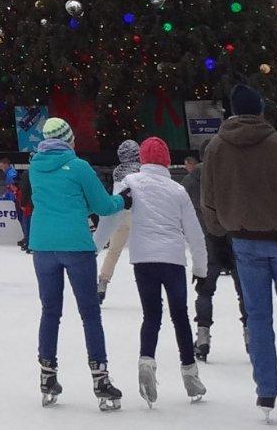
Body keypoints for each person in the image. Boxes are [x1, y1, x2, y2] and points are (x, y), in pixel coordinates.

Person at [200, 83, 277, 419]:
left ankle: (266, 393)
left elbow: (207, 197)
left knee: (258, 320)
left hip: (244, 239)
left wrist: (219, 230)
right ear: (260, 110)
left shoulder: (216, 148)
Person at [28, 116, 127, 409]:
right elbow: (103, 206)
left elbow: (54, 199)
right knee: (90, 314)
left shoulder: (35, 167)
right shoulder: (79, 167)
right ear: (68, 139)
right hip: (75, 245)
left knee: (50, 312)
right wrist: (125, 199)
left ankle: (47, 375)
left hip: (43, 246)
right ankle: (100, 378)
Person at [118, 137, 208, 407]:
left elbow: (113, 211)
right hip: (172, 259)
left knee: (151, 315)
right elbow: (194, 231)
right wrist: (201, 268)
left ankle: (147, 361)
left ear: (143, 159)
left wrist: (94, 246)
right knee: (180, 315)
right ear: (167, 160)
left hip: (144, 259)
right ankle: (190, 373)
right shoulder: (177, 190)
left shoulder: (131, 184)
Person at [180, 150, 248, 362]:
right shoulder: (232, 174)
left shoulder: (190, 181)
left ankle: (202, 338)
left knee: (205, 291)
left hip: (205, 240)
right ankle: (251, 335)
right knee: (244, 290)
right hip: (234, 237)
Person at [95, 139, 142, 302]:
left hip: (118, 214)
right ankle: (148, 287)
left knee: (113, 251)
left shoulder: (117, 171)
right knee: (142, 253)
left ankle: (103, 282)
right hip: (137, 215)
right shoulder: (141, 170)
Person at [6, 161, 32, 252]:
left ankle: (29, 244)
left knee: (28, 227)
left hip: (28, 212)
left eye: (13, 185)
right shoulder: (17, 192)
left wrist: (23, 206)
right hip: (25, 212)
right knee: (26, 227)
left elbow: (24, 201)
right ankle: (28, 243)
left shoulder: (21, 193)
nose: (10, 186)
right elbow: (9, 188)